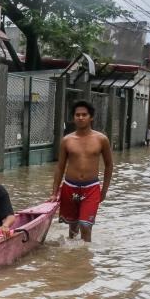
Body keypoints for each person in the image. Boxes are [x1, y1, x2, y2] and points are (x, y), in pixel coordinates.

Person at [51, 101, 114, 242]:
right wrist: (54, 193)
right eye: (77, 115)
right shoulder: (67, 140)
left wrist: (104, 191)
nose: (80, 117)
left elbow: (109, 165)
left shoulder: (101, 139)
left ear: (91, 117)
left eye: (84, 115)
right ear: (73, 117)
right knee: (73, 228)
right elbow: (60, 167)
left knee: (85, 226)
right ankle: (74, 255)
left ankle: (85, 254)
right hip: (70, 187)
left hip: (91, 188)